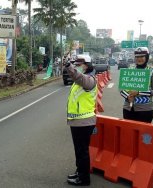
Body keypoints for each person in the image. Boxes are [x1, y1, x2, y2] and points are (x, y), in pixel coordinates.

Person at [64, 55, 97, 186]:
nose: (77, 65)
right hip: (77, 121)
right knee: (79, 150)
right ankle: (80, 172)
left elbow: (79, 77)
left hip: (84, 121)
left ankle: (84, 179)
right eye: (75, 63)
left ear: (87, 65)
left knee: (82, 151)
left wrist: (69, 66)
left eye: (80, 63)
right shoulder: (80, 80)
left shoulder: (89, 79)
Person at [120, 47, 153, 123]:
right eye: (137, 57)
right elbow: (121, 89)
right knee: (128, 133)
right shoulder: (129, 70)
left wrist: (139, 92)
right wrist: (127, 96)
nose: (139, 59)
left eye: (142, 56)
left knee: (143, 133)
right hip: (128, 108)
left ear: (147, 57)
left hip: (145, 110)